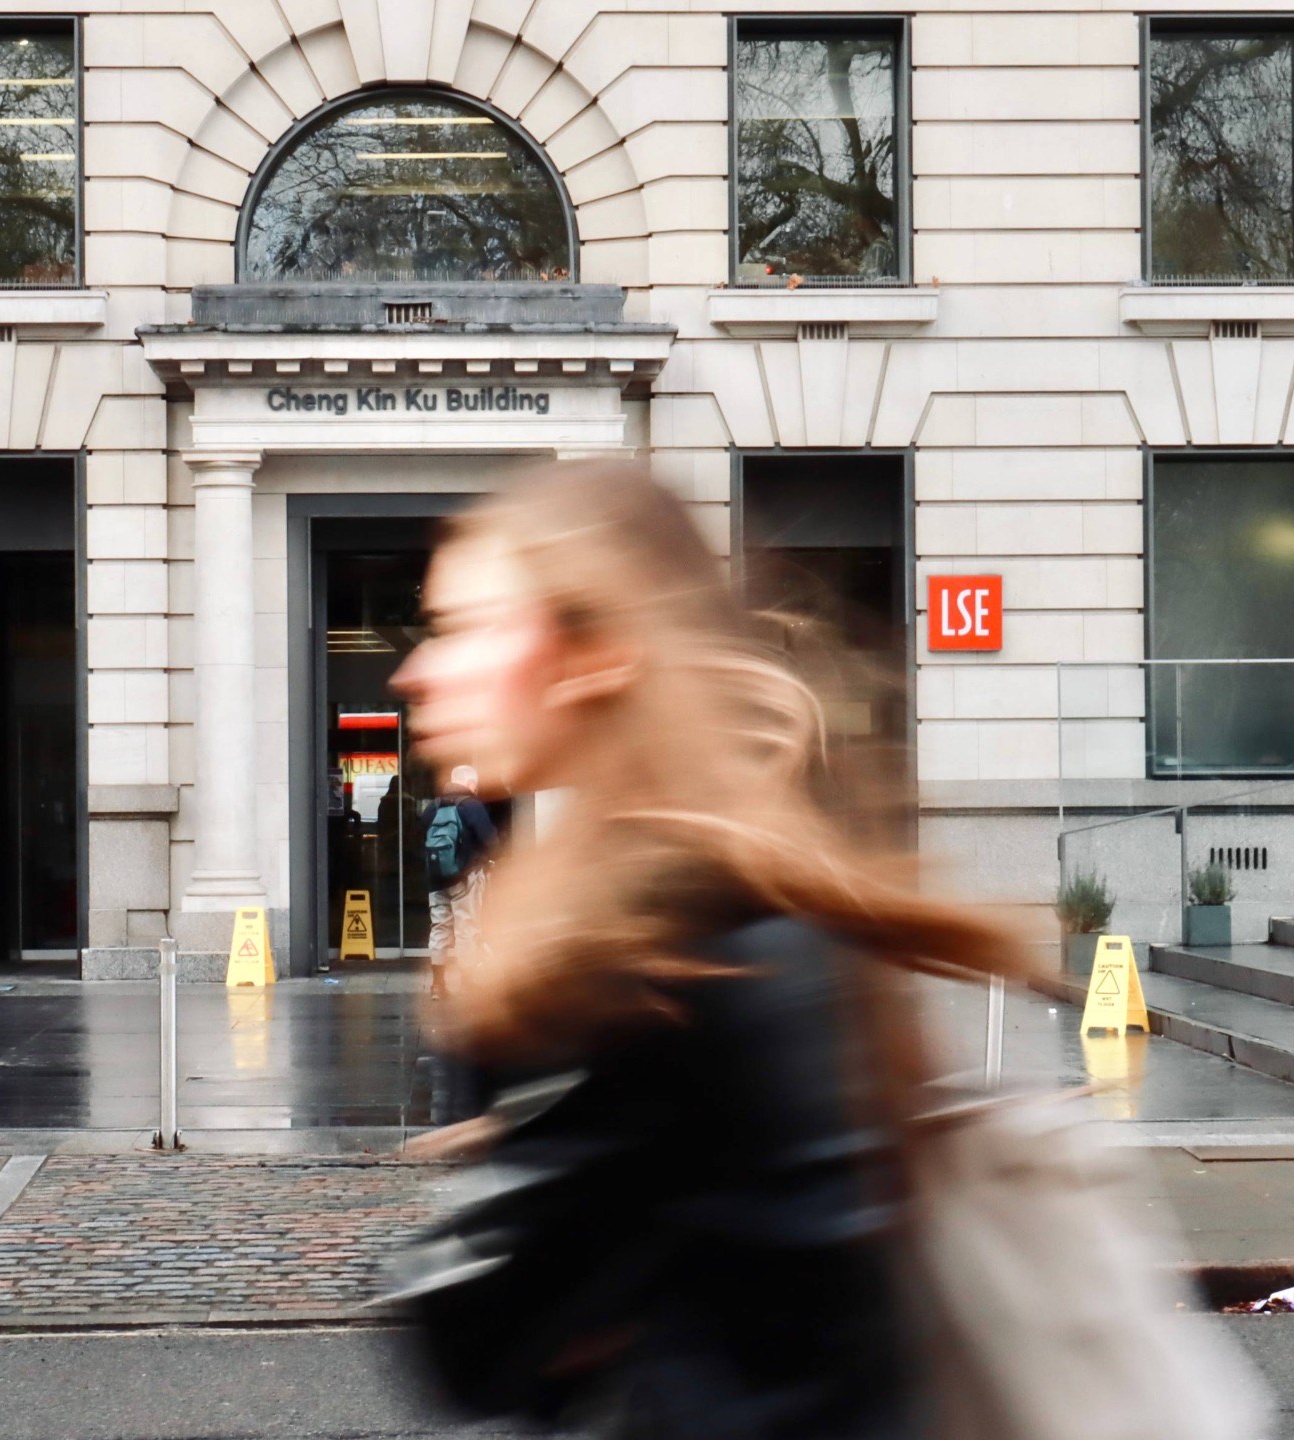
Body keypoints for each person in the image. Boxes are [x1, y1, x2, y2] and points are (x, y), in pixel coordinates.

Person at [382, 461, 1030, 1440]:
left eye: (464, 629)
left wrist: (499, 1092)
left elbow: (473, 1338)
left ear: (592, 651)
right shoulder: (721, 913)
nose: (415, 671)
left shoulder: (679, 956)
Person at [420, 764, 498, 998]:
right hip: (466, 877)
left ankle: (437, 985)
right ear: (470, 783)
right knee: (466, 929)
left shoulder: (432, 807)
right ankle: (466, 984)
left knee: (440, 928)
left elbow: (419, 837)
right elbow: (490, 840)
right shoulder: (471, 806)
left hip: (436, 879)